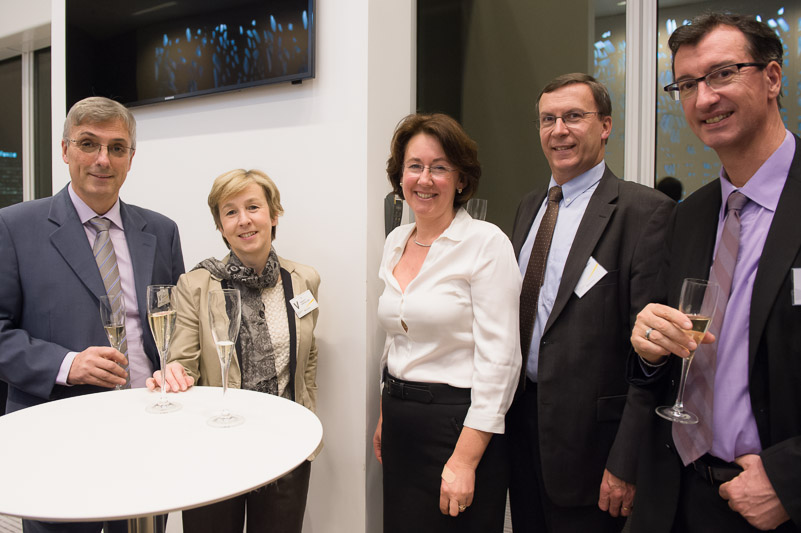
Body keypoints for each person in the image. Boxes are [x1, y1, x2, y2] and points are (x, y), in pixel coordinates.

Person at [629, 12, 801, 533]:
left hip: (775, 503)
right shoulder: (687, 217)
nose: (704, 98)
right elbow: (666, 365)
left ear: (772, 78)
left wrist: (790, 481)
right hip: (678, 494)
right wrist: (649, 351)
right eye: (686, 84)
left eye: (723, 74)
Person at [0, 96, 185, 533]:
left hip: (148, 431)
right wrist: (67, 364)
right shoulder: (14, 227)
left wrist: (177, 363)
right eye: (88, 144)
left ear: (131, 159)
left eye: (117, 148)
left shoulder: (162, 231)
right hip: (58, 435)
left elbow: (177, 325)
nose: (103, 159)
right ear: (65, 150)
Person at [506, 73, 674, 532]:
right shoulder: (529, 207)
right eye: (548, 119)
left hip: (593, 450)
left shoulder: (645, 212)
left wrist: (627, 459)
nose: (558, 130)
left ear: (605, 126)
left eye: (574, 116)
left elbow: (653, 355)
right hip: (521, 427)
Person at [147, 168, 321, 533]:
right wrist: (175, 374)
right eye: (230, 212)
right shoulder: (195, 285)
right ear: (220, 226)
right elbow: (183, 362)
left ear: (274, 214)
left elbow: (308, 358)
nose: (244, 220)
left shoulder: (303, 280)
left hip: (285, 447)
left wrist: (307, 416)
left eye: (253, 207)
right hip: (214, 449)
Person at [372, 113, 521, 532]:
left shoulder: (486, 243)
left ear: (460, 179)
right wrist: (385, 412)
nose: (425, 179)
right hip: (400, 420)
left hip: (458, 427)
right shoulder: (395, 241)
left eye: (439, 167)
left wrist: (465, 460)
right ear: (400, 176)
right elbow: (396, 339)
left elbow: (501, 361)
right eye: (414, 166)